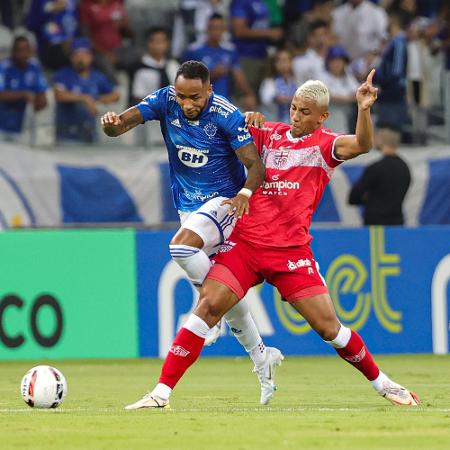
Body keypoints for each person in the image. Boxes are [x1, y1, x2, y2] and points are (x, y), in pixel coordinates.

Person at [125, 69, 421, 409]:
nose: (295, 116)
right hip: (246, 246)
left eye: (305, 112)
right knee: (205, 308)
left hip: (291, 252)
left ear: (322, 117)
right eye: (294, 108)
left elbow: (363, 144)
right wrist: (248, 119)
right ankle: (161, 393)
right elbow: (234, 132)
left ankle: (384, 384)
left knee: (330, 329)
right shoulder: (270, 135)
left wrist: (364, 109)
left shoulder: (326, 146)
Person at [100, 60, 284, 405]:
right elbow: (121, 125)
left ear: (209, 90)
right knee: (224, 296)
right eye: (182, 96)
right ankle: (262, 357)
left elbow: (255, 164)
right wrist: (111, 124)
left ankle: (206, 312)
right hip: (189, 210)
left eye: (195, 97)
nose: (187, 104)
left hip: (222, 204)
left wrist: (243, 195)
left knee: (181, 249)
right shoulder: (164, 100)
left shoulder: (225, 114)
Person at [182, 13, 256, 110]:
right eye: (213, 28)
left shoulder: (230, 50)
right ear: (207, 29)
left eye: (220, 28)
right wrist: (211, 75)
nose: (216, 31)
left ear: (224, 30)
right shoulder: (194, 51)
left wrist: (248, 94)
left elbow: (238, 74)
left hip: (224, 103)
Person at [54, 37, 120, 143]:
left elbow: (116, 95)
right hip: (67, 135)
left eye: (84, 55)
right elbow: (59, 95)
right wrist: (84, 98)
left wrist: (96, 99)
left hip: (91, 134)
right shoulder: (63, 74)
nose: (80, 59)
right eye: (76, 55)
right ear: (71, 57)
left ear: (91, 57)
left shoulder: (97, 76)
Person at [348, 126, 411, 225]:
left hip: (375, 224)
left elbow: (354, 197)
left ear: (380, 141)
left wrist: (369, 199)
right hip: (397, 223)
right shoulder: (405, 168)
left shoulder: (375, 168)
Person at [0, 35, 48, 140]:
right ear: (13, 51)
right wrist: (23, 94)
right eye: (19, 50)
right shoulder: (4, 67)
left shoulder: (35, 67)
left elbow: (43, 98)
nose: (23, 54)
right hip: (2, 127)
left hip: (24, 129)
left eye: (26, 50)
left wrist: (38, 102)